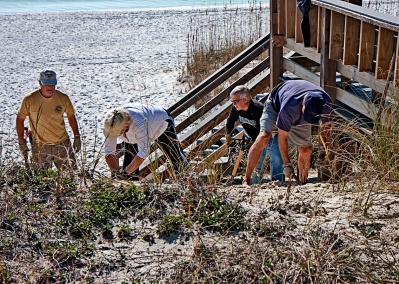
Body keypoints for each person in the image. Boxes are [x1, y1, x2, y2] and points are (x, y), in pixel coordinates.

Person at [243, 79, 333, 185]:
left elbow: (325, 128)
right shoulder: (289, 107)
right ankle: (247, 179)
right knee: (264, 136)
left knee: (306, 149)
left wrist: (328, 151)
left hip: (295, 108)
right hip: (275, 104)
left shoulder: (326, 104)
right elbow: (282, 137)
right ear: (303, 104)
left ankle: (302, 181)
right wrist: (287, 164)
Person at [16, 70, 81, 170]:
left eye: (52, 84)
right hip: (40, 147)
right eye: (46, 84)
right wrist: (21, 143)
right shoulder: (29, 99)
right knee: (42, 179)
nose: (50, 87)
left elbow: (71, 116)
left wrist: (77, 137)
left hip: (62, 144)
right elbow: (20, 119)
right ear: (40, 83)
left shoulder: (63, 98)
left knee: (70, 175)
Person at [103, 103, 188, 178]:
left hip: (161, 124)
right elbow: (109, 153)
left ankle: (188, 180)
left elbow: (143, 152)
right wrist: (116, 173)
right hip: (132, 137)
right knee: (129, 171)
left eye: (117, 134)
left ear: (125, 126)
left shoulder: (138, 121)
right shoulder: (112, 124)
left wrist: (125, 173)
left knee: (176, 158)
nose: (115, 136)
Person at [225, 85, 284, 183]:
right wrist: (228, 134)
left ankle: (278, 182)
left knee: (276, 157)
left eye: (235, 102)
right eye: (232, 102)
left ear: (245, 100)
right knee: (256, 161)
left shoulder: (259, 109)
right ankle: (256, 184)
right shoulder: (236, 109)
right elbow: (230, 121)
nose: (234, 104)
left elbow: (265, 130)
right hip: (256, 138)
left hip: (270, 135)